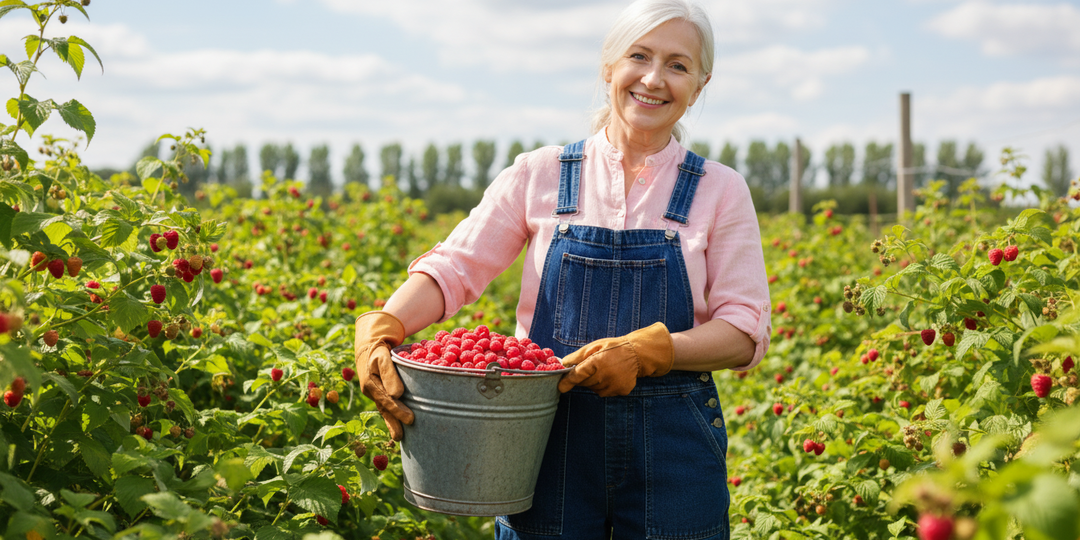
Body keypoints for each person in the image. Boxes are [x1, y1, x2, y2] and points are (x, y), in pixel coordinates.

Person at [354, 0, 772, 537]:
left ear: (700, 83)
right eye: (638, 56)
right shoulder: (542, 173)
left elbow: (743, 331)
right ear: (608, 68)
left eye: (678, 64)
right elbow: (456, 267)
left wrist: (654, 350)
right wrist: (385, 322)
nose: (653, 78)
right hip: (544, 440)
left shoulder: (719, 189)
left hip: (672, 451)